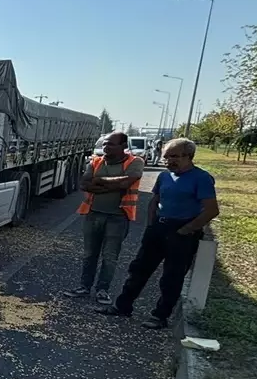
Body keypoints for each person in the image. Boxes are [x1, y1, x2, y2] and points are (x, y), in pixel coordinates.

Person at [102, 137, 219, 328]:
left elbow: (211, 210)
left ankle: (160, 316)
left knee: (172, 275)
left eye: (174, 157)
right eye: (166, 157)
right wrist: (151, 224)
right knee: (139, 269)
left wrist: (186, 229)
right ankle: (122, 306)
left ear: (189, 156)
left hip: (182, 231)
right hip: (159, 227)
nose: (169, 161)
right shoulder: (164, 176)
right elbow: (154, 200)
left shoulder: (202, 178)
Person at [64, 132, 143, 305]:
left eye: (111, 144)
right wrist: (111, 185)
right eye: (105, 144)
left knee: (110, 257)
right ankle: (84, 287)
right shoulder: (96, 161)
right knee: (89, 254)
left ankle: (102, 290)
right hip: (94, 214)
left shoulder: (135, 162)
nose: (106, 147)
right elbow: (84, 184)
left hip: (118, 217)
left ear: (123, 146)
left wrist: (98, 181)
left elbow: (125, 183)